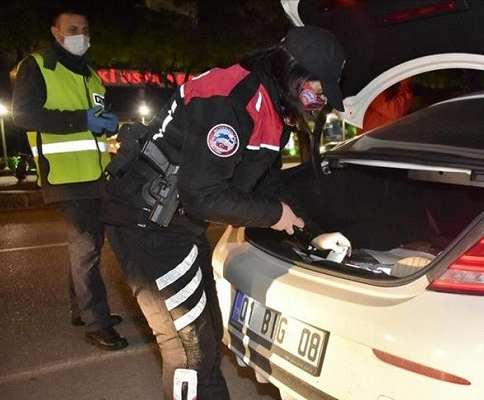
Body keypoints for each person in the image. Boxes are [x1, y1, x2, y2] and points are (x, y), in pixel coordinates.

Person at [100, 26, 351, 399]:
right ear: (294, 71)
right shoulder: (231, 95)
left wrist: (310, 231)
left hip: (178, 225)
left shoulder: (270, 109)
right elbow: (204, 196)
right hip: (148, 227)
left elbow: (267, 186)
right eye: (319, 89)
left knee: (205, 338)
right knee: (189, 351)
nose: (321, 100)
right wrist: (274, 214)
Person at [11, 8, 127, 351]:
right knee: (87, 248)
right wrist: (82, 120)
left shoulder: (91, 74)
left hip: (95, 173)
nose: (80, 34)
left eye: (85, 28)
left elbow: (97, 121)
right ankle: (97, 322)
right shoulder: (37, 66)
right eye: (72, 28)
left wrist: (109, 125)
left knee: (87, 248)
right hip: (64, 175)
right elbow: (24, 115)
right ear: (55, 32)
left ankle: (82, 309)